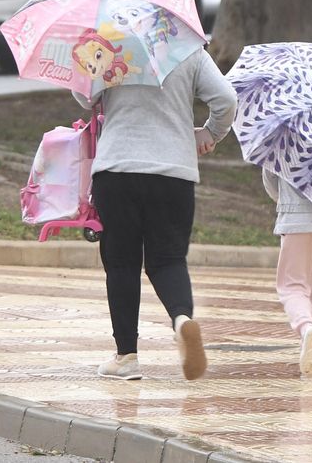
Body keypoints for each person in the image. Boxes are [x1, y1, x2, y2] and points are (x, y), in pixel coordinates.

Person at [75, 48, 236, 381]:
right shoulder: (188, 47)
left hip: (118, 167)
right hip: (174, 171)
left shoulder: (108, 43)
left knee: (121, 263)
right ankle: (181, 320)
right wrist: (209, 133)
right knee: (169, 260)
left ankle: (127, 357)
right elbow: (226, 99)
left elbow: (84, 96)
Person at [262, 169, 312, 378]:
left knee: (292, 286)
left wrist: (282, 200)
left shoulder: (284, 137)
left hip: (296, 219)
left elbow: (270, 177)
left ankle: (306, 327)